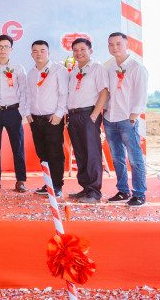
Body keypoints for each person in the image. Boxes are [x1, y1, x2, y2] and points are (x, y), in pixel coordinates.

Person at [103, 32, 148, 207]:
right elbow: (106, 92)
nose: (114, 47)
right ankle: (123, 190)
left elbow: (141, 96)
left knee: (135, 158)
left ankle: (139, 193)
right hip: (110, 118)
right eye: (111, 44)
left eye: (118, 44)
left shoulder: (137, 68)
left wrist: (133, 118)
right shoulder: (108, 67)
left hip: (127, 119)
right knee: (117, 157)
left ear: (126, 45)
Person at [66, 37, 109, 204]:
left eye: (83, 49)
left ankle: (94, 192)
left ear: (90, 51)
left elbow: (104, 92)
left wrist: (94, 116)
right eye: (75, 50)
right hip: (74, 116)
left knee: (92, 153)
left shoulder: (97, 68)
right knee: (80, 153)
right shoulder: (74, 71)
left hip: (88, 114)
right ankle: (85, 187)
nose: (79, 53)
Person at [0, 34, 28, 192]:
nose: (3, 50)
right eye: (0, 47)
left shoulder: (18, 68)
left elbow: (24, 91)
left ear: (11, 49)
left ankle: (21, 180)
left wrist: (21, 112)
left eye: (6, 47)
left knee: (18, 146)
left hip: (13, 111)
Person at [24, 40, 68, 198]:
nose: (39, 54)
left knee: (55, 153)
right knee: (42, 152)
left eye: (42, 50)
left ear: (48, 52)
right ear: (31, 54)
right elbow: (28, 95)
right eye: (35, 51)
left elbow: (64, 93)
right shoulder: (31, 73)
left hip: (52, 119)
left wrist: (59, 114)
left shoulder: (58, 70)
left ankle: (57, 185)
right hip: (35, 119)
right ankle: (48, 183)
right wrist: (27, 113)